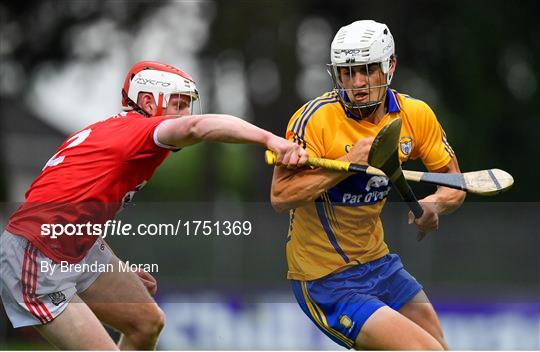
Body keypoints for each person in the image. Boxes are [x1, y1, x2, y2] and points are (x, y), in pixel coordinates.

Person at [0, 60, 308, 350]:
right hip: (36, 257)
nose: (186, 113)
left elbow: (75, 206)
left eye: (188, 104)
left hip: (76, 248)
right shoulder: (141, 131)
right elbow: (196, 128)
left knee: (146, 323)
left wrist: (117, 265)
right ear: (148, 103)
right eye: (178, 104)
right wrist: (272, 140)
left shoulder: (117, 133)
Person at [271, 20, 466, 350]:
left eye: (367, 70)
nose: (356, 83)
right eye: (347, 73)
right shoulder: (314, 119)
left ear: (389, 67)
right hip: (325, 279)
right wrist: (348, 167)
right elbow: (280, 197)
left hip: (380, 263)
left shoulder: (415, 115)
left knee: (440, 347)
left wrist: (435, 204)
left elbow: (454, 183)